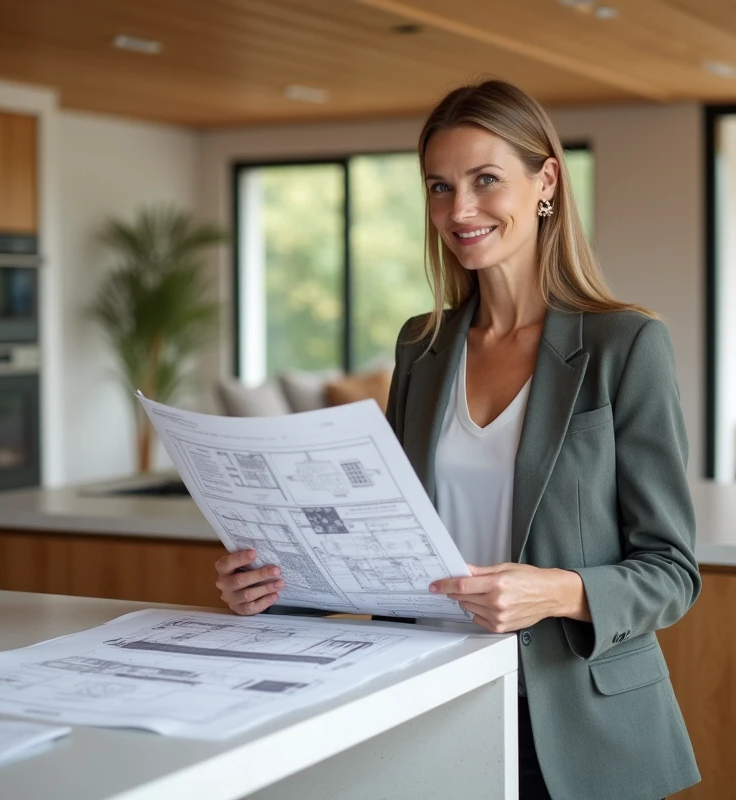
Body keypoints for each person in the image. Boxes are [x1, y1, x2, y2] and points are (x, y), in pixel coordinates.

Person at [214, 79, 701, 800]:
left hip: (573, 724)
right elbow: (389, 540)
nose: (459, 210)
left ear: (546, 181)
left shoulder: (625, 345)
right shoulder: (423, 345)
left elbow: (671, 572)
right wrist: (278, 589)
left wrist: (555, 591)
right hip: (429, 699)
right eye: (439, 187)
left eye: (485, 180)